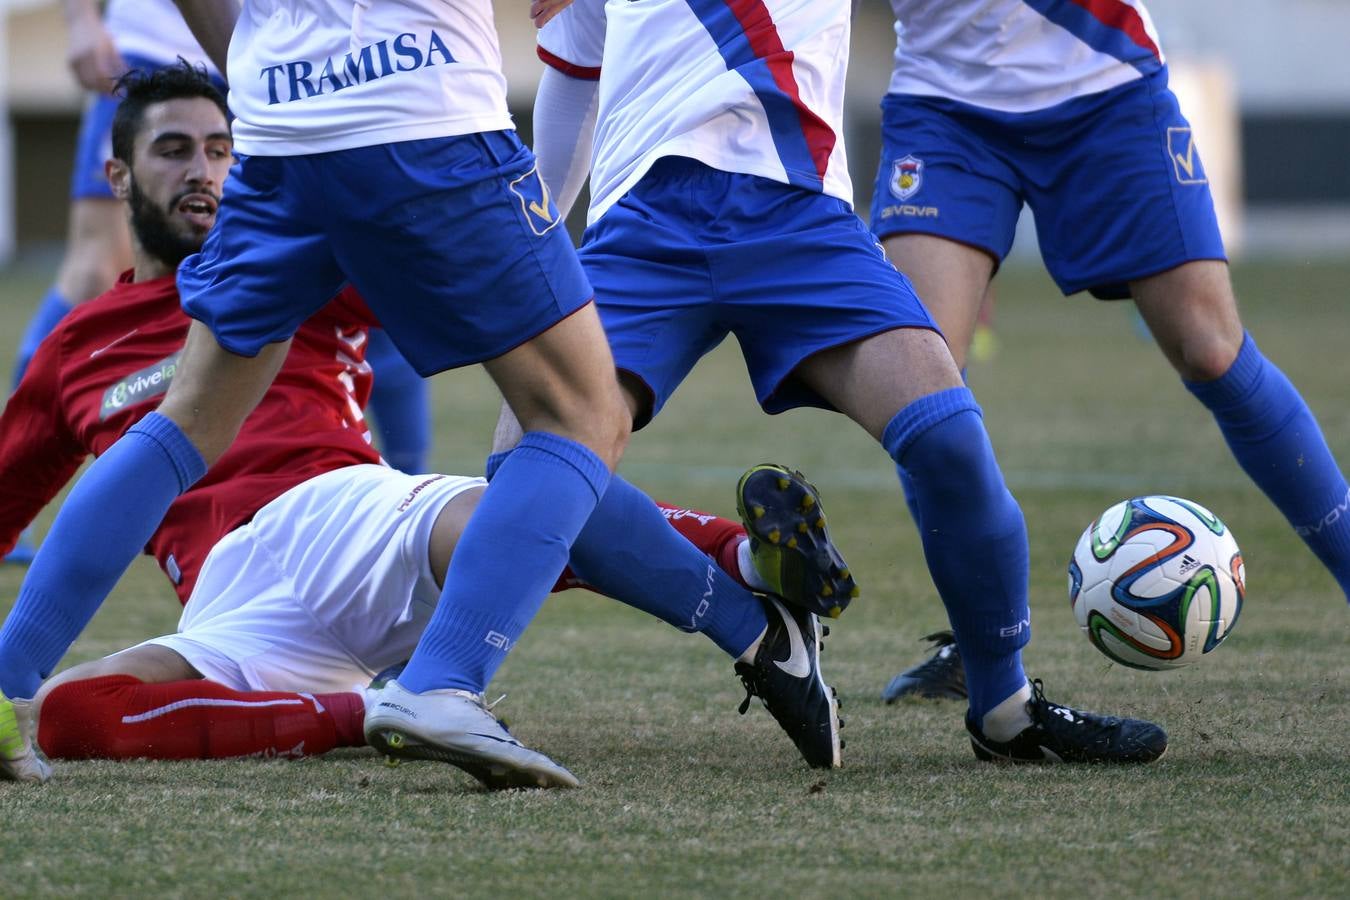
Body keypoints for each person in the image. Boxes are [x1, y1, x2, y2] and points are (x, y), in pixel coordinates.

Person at [0, 63, 841, 786]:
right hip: (227, 606)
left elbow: (442, 277)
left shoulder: (284, 253)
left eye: (222, 150)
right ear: (116, 174)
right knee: (76, 714)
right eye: (174, 151)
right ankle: (367, 713)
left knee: (515, 501)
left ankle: (741, 557)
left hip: (342, 515)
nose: (204, 172)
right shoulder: (73, 348)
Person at [508, 0, 1167, 766]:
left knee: (949, 436)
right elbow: (572, 70)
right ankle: (756, 632)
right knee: (526, 469)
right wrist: (537, 238)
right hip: (640, 227)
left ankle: (1005, 709)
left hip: (801, 218)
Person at [870, 1, 1350, 697]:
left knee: (1210, 348)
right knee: (920, 384)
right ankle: (983, 647)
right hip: (943, 106)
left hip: (1104, 83)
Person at [1, 0, 220, 567]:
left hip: (266, 64)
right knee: (96, 267)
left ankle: (401, 475)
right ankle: (11, 503)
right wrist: (81, 20)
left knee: (333, 265)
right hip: (145, 53)